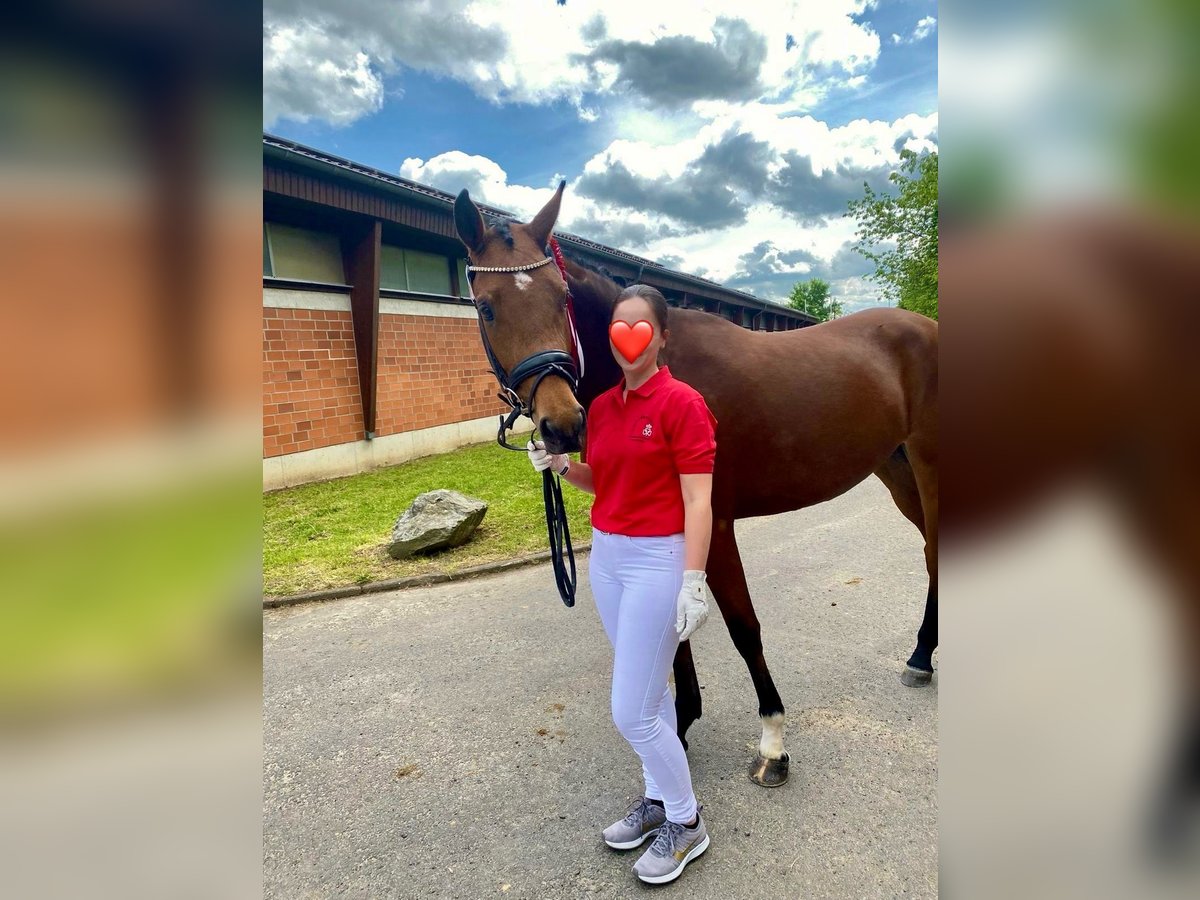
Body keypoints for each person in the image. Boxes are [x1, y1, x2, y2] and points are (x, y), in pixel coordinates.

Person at [527, 284, 718, 885]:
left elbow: (699, 499)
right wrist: (561, 466)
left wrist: (693, 578)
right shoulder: (603, 407)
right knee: (653, 695)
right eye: (617, 326)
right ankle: (659, 799)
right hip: (607, 557)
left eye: (639, 327)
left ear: (661, 337)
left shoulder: (683, 404)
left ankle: (687, 823)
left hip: (658, 562)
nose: (626, 337)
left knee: (629, 712)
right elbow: (603, 482)